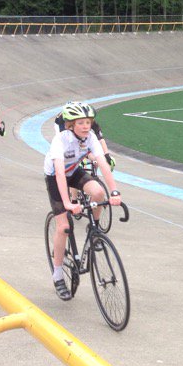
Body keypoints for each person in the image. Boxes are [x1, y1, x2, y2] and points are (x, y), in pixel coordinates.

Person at [44, 102, 122, 299]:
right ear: (71, 124)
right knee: (63, 227)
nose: (86, 126)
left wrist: (114, 191)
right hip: (56, 177)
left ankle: (93, 228)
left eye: (88, 122)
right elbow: (60, 175)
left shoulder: (91, 137)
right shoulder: (60, 141)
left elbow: (102, 163)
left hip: (74, 171)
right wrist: (69, 204)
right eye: (81, 123)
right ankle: (58, 274)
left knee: (98, 193)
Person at [53, 102, 115, 171]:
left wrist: (107, 155)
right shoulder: (64, 121)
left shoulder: (90, 121)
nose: (86, 125)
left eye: (88, 122)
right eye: (82, 122)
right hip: (61, 123)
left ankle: (93, 171)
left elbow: (100, 138)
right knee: (70, 143)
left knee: (86, 143)